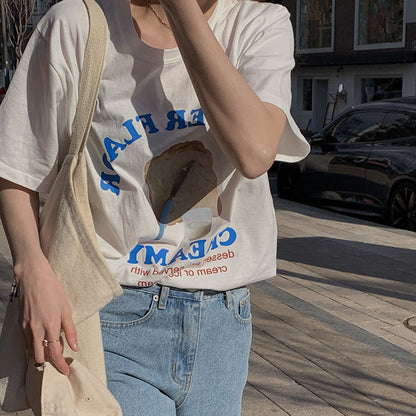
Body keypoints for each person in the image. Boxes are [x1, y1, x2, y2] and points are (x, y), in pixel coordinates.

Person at [0, 0, 309, 414]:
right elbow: (15, 164)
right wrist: (31, 268)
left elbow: (254, 152)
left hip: (221, 322)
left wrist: (179, 9)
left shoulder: (257, 24)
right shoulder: (78, 23)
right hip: (113, 313)